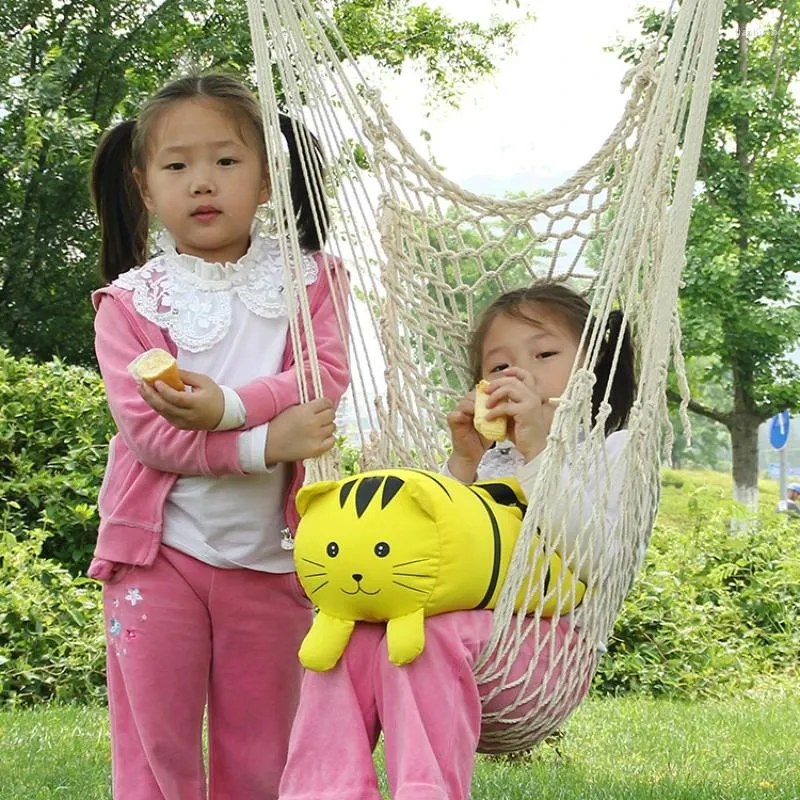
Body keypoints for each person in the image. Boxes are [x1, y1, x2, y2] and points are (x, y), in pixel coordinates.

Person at [279, 281, 646, 800]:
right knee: (348, 635)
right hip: (458, 636)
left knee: (429, 635)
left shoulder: (616, 452)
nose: (519, 374)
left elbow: (597, 559)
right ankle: (323, 789)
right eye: (498, 367)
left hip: (547, 648)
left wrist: (539, 446)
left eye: (544, 354)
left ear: (596, 369)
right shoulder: (493, 459)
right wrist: (465, 464)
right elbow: (435, 551)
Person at [88, 73, 350, 799]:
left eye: (227, 162)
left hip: (273, 557)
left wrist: (230, 404)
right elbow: (149, 436)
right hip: (157, 556)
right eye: (177, 166)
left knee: (263, 745)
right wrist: (262, 442)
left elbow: (323, 373)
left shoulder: (310, 280)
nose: (202, 182)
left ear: (268, 179)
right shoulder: (131, 304)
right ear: (145, 189)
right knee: (157, 744)